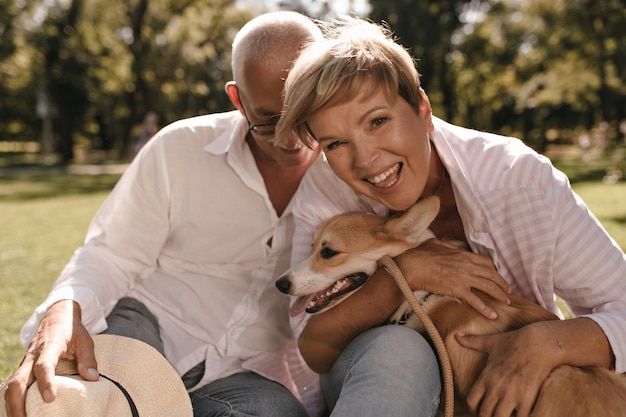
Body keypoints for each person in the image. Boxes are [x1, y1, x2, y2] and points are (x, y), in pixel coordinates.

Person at [275, 16, 626, 417]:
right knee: (399, 348)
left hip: (517, 381)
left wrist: (546, 342)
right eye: (336, 143)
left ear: (423, 110)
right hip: (379, 376)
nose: (366, 159)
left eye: (378, 121)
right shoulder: (325, 189)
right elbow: (315, 349)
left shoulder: (519, 180)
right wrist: (404, 274)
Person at [4, 11, 324, 417]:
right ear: (237, 99)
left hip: (245, 371)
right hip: (146, 327)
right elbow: (111, 253)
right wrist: (64, 308)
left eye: (304, 111)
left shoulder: (351, 174)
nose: (293, 137)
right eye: (269, 121)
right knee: (78, 401)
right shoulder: (179, 149)